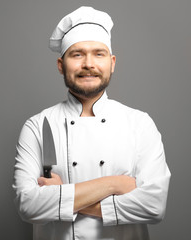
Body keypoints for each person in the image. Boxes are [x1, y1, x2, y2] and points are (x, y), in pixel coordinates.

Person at [12, 6, 171, 240]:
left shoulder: (139, 124)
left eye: (99, 53)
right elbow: (28, 205)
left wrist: (59, 195)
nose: (88, 64)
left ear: (112, 63)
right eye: (77, 54)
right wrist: (114, 184)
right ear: (60, 65)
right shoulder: (38, 126)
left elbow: (154, 206)